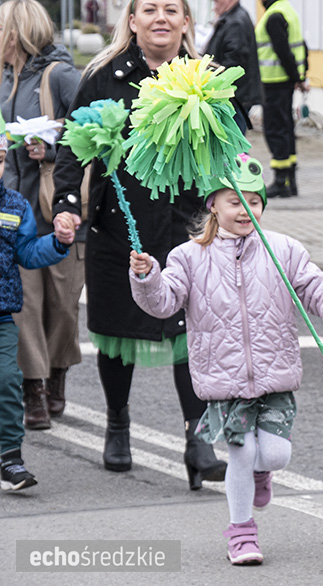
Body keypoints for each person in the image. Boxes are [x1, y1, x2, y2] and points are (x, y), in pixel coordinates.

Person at [128, 156, 323, 565]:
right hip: (224, 379)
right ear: (213, 206)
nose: (244, 210)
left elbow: (316, 285)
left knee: (273, 455)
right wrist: (147, 277)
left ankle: (261, 473)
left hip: (276, 376)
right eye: (234, 201)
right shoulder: (189, 256)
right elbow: (164, 303)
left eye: (253, 201)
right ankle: (241, 533)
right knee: (239, 452)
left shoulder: (284, 249)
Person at [50, 0, 227, 489]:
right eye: (149, 9)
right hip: (119, 222)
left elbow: (229, 148)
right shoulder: (103, 75)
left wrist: (240, 202)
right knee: (115, 326)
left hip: (187, 225)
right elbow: (73, 143)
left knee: (190, 330)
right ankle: (117, 424)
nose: (161, 18)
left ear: (186, 22)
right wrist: (67, 203)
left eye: (172, 9)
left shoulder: (204, 78)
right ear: (132, 21)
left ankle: (198, 439)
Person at [0, 0, 83, 431]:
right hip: (16, 209)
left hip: (62, 207)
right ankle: (33, 388)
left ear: (14, 32)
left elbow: (96, 133)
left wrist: (49, 149)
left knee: (64, 305)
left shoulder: (62, 75)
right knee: (25, 304)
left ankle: (57, 375)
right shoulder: (4, 80)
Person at [0, 134, 75, 491]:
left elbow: (28, 252)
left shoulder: (14, 205)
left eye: (0, 159)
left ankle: (10, 459)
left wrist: (58, 241)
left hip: (2, 316)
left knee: (7, 382)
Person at [255, 0, 308, 198]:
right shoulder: (288, 10)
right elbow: (302, 45)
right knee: (286, 128)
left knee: (275, 129)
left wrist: (296, 77)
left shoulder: (274, 16)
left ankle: (280, 181)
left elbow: (283, 51)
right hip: (283, 82)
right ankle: (290, 181)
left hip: (274, 82)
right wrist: (300, 77)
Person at [205, 0, 261, 135]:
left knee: (233, 143)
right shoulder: (231, 18)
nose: (215, 4)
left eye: (217, 1)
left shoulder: (236, 21)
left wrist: (212, 80)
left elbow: (234, 60)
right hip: (234, 95)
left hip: (235, 96)